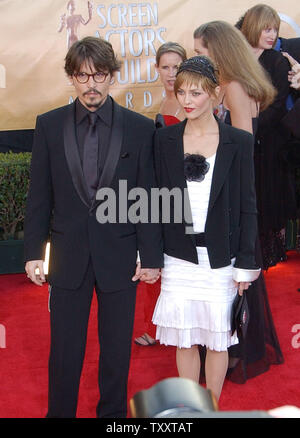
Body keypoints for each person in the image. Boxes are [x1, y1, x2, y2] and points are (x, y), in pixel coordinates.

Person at [24, 36, 163, 418]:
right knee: (65, 350)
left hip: (120, 256)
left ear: (113, 76)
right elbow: (40, 195)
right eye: (83, 75)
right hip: (68, 256)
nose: (92, 84)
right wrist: (34, 252)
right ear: (71, 77)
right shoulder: (49, 125)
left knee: (117, 350)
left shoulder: (138, 128)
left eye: (99, 75)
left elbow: (146, 196)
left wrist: (150, 256)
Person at [152, 55, 261, 401]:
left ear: (214, 94)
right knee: (183, 336)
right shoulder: (164, 140)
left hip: (221, 260)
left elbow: (248, 205)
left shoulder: (238, 142)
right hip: (178, 258)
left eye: (196, 93)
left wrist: (246, 262)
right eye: (182, 92)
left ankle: (210, 405)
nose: (187, 101)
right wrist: (150, 255)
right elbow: (155, 202)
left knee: (217, 338)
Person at [193, 20, 284, 383]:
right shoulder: (230, 84)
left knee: (234, 275)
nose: (196, 58)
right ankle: (236, 348)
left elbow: (242, 147)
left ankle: (238, 350)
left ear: (217, 51)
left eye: (200, 52)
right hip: (228, 191)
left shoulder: (233, 87)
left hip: (231, 194)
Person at [134, 42, 186, 347]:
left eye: (176, 67)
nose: (170, 73)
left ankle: (178, 326)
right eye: (165, 67)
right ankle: (155, 326)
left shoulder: (191, 103)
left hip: (185, 193)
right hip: (162, 194)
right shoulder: (162, 102)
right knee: (156, 256)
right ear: (156, 70)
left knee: (178, 261)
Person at [238, 4, 297, 268]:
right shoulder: (238, 60)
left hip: (271, 140)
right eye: (266, 28)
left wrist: (251, 127)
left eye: (275, 28)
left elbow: (278, 103)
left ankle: (270, 252)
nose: (272, 34)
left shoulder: (277, 60)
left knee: (269, 195)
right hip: (243, 140)